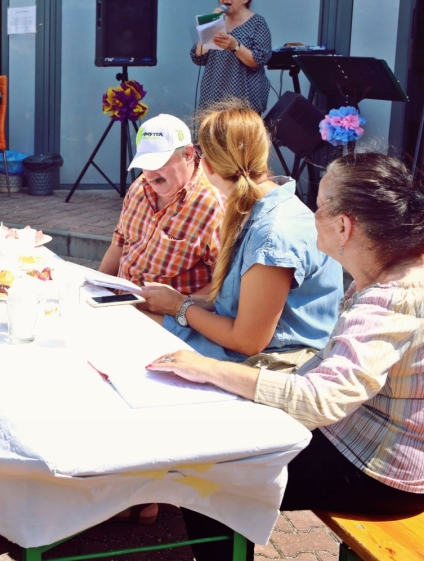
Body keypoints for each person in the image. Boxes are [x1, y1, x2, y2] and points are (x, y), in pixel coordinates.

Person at [146, 152, 424, 560]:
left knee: (208, 479)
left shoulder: (390, 299)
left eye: (321, 203)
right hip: (369, 441)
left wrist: (211, 370)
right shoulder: (401, 271)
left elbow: (320, 400)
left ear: (344, 226)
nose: (312, 212)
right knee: (227, 438)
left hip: (381, 471)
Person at [142, 105, 342, 366]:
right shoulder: (258, 209)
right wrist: (178, 303)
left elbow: (248, 341)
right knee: (135, 316)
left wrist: (180, 307)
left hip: (273, 362)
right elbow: (236, 308)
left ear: (208, 166)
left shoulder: (273, 233)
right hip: (251, 349)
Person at [97, 114, 225, 296]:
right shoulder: (139, 188)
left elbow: (224, 284)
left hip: (168, 319)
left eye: (158, 163)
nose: (149, 175)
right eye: (144, 164)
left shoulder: (212, 206)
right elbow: (119, 244)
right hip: (121, 304)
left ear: (188, 154)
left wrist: (180, 307)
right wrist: (96, 290)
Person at [190, 0, 272, 114]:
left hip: (244, 102)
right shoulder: (217, 22)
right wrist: (209, 25)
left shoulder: (258, 22)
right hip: (213, 99)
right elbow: (198, 57)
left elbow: (258, 60)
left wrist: (235, 46)